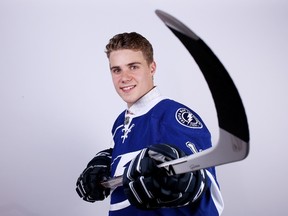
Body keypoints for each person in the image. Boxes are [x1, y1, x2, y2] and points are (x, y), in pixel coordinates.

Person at [76, 32, 224, 215]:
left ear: (152, 67)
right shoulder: (120, 123)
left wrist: (189, 182)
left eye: (133, 67)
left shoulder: (172, 115)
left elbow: (209, 196)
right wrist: (109, 162)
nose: (124, 77)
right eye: (117, 70)